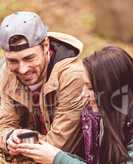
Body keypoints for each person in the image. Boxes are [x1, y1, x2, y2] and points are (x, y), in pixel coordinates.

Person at [17, 46, 133, 164]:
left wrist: (58, 158)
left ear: (113, 89)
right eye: (84, 85)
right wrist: (49, 153)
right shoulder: (99, 117)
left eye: (90, 88)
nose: (83, 95)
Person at [0, 11, 89, 156]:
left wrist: (22, 144)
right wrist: (10, 136)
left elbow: (60, 147)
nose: (22, 69)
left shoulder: (73, 75)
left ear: (46, 45)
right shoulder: (8, 71)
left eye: (29, 58)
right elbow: (3, 125)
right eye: (13, 61)